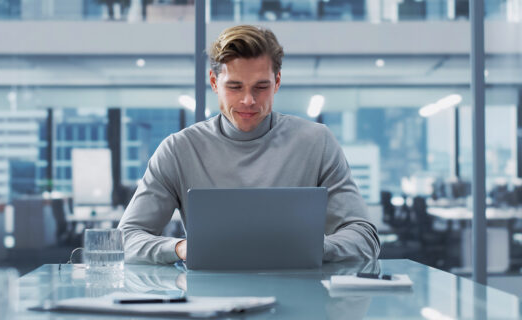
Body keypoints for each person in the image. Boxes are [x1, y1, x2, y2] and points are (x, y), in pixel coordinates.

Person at [118, 25, 380, 264]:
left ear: (277, 82)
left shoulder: (317, 142)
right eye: (234, 87)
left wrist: (314, 248)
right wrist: (181, 248)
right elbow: (125, 239)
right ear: (213, 83)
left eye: (261, 87)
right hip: (208, 303)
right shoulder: (178, 150)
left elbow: (364, 237)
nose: (248, 100)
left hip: (300, 295)